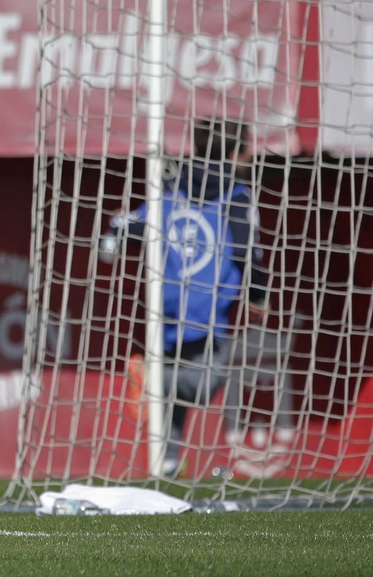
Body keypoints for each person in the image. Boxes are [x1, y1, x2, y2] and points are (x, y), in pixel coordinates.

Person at [103, 117, 292, 477]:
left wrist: (113, 233)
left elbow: (134, 224)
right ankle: (153, 380)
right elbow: (247, 250)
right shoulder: (236, 196)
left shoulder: (170, 186)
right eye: (247, 151)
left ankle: (168, 459)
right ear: (237, 153)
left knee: (176, 390)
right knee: (204, 386)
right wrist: (259, 293)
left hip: (165, 308)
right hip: (207, 312)